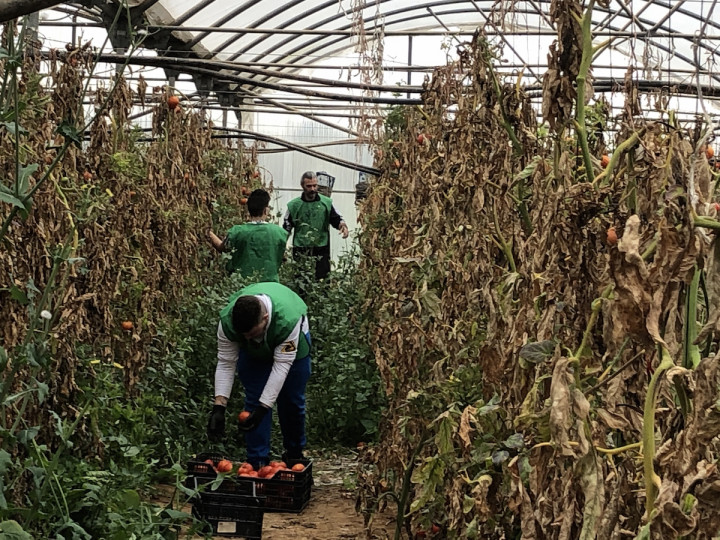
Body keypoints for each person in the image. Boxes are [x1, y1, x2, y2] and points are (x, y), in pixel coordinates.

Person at [207, 282, 311, 469]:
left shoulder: (288, 321)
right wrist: (219, 407)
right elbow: (226, 362)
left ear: (265, 318)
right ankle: (257, 463)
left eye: (252, 333)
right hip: (255, 356)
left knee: (292, 401)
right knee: (254, 400)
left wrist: (264, 408)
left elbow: (282, 366)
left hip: (292, 349)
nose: (248, 339)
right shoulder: (228, 323)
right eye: (243, 336)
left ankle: (294, 453)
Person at [208, 189, 288, 282]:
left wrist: (208, 233)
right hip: (269, 284)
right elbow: (281, 256)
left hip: (242, 284)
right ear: (266, 210)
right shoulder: (278, 233)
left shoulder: (237, 232)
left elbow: (222, 248)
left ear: (248, 209)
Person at [283, 171, 349, 280]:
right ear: (302, 186)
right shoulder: (294, 205)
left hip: (321, 248)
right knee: (301, 281)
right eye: (309, 186)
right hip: (301, 248)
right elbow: (286, 227)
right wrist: (282, 246)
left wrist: (343, 226)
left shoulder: (326, 203)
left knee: (323, 281)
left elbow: (336, 219)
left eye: (315, 185)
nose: (313, 189)